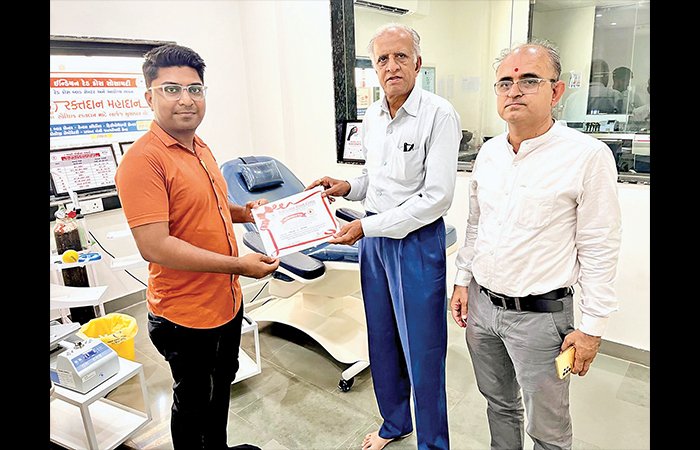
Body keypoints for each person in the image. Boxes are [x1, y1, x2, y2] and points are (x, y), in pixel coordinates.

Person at [449, 40, 621, 450]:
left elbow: (600, 245)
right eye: (505, 83)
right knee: (498, 405)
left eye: (529, 80)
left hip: (542, 320)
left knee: (548, 428)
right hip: (482, 309)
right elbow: (476, 224)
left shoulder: (586, 156)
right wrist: (462, 281)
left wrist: (592, 329)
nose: (514, 91)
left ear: (556, 91)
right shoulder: (489, 153)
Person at [114, 44, 279, 450]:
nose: (187, 99)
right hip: (184, 315)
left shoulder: (200, 147)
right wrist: (238, 265)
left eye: (195, 89)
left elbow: (212, 207)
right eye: (172, 89)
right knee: (192, 401)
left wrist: (246, 212)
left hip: (226, 302)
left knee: (221, 384)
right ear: (149, 97)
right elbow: (155, 246)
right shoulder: (143, 162)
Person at [307, 23, 460, 450]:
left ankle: (433, 444)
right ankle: (395, 423)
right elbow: (376, 179)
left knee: (423, 352)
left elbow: (437, 197)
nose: (391, 66)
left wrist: (364, 227)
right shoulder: (372, 116)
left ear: (417, 62)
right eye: (382, 59)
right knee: (382, 339)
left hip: (415, 243)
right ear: (374, 68)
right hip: (374, 241)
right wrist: (346, 187)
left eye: (400, 56)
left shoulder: (439, 115)